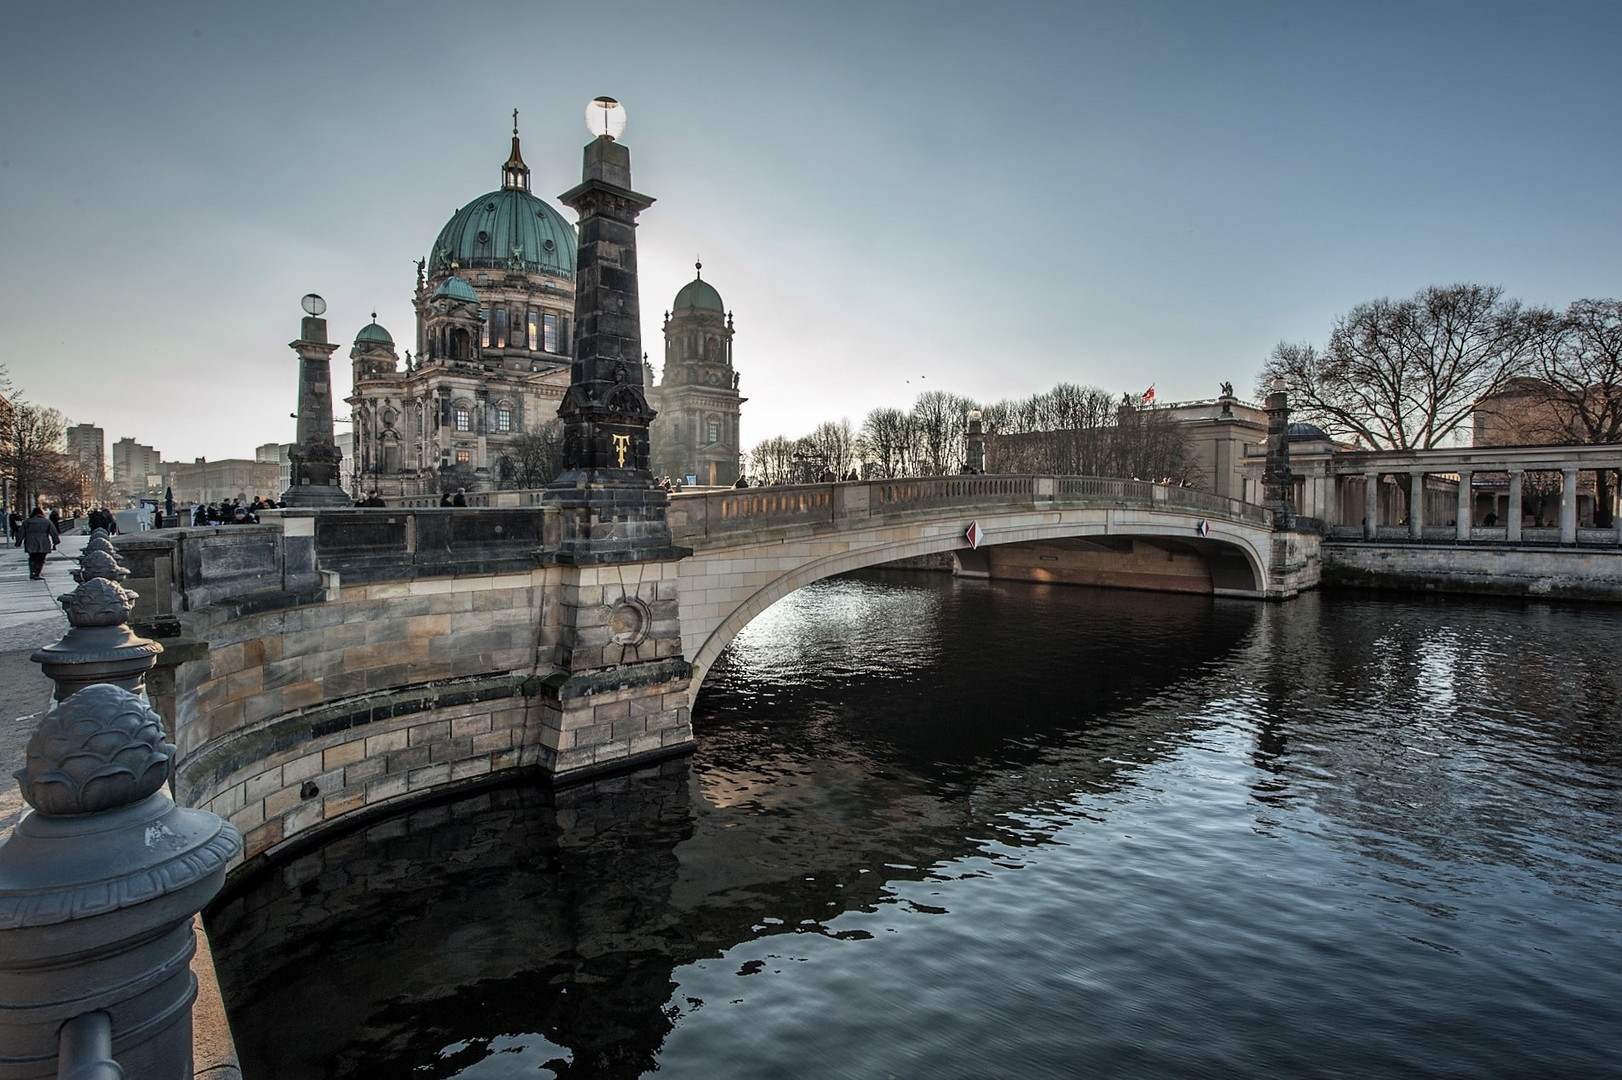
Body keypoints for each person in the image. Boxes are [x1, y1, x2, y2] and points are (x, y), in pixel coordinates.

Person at [22, 508, 59, 580]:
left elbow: (21, 532)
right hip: (43, 542)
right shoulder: (47, 522)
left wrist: (18, 542)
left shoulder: (27, 522)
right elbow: (54, 533)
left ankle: (32, 572)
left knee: (32, 558)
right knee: (41, 559)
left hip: (30, 542)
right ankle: (37, 573)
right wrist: (55, 542)